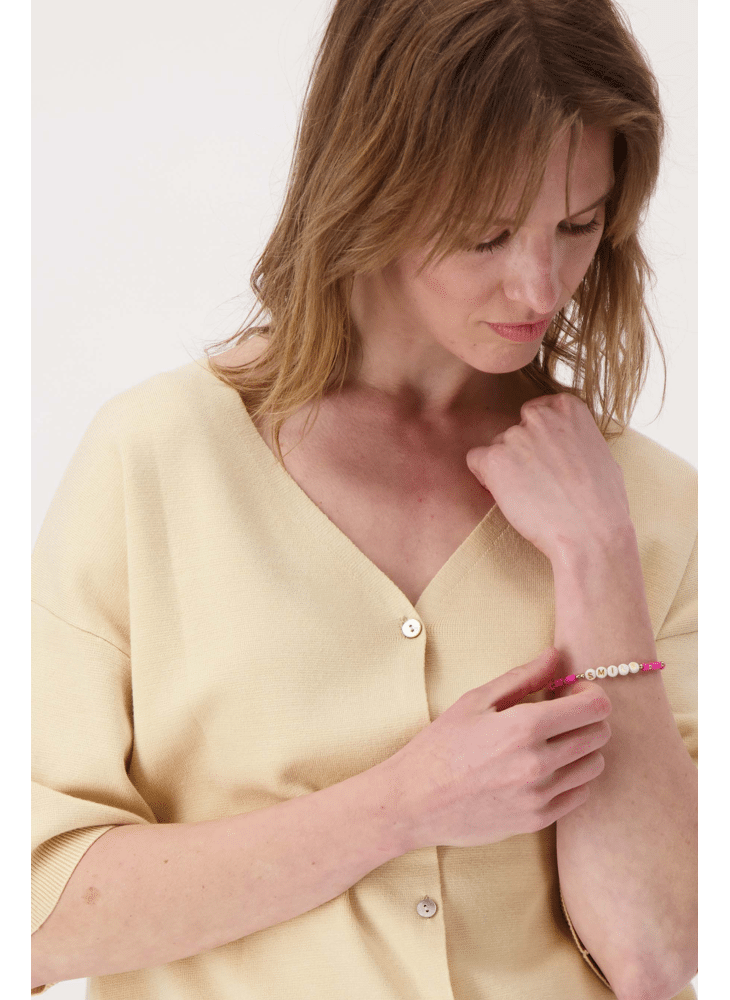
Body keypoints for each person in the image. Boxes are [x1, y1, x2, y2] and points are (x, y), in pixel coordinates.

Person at [31, 1, 697, 998]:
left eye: (577, 225)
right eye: (486, 234)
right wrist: (403, 806)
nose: (538, 287)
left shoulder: (649, 504)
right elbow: (37, 915)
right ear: (370, 186)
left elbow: (654, 954)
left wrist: (597, 558)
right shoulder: (156, 462)